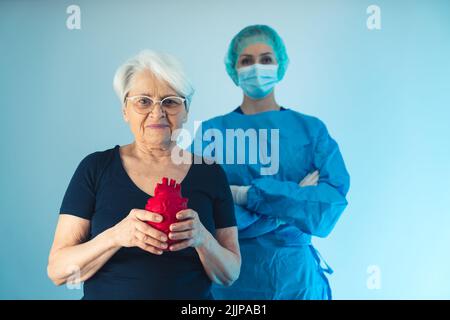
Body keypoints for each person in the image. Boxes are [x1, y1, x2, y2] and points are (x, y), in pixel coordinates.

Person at [47, 50, 241, 300]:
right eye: (143, 101)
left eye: (170, 101)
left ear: (186, 111)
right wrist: (115, 236)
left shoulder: (210, 173)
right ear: (125, 110)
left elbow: (230, 273)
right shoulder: (95, 168)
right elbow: (58, 270)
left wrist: (202, 238)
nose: (157, 112)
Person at [191, 25, 350, 299]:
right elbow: (199, 207)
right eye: (246, 60)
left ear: (280, 65)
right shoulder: (211, 133)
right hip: (231, 277)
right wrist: (289, 204)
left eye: (266, 59)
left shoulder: (310, 131)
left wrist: (242, 195)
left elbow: (329, 204)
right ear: (233, 69)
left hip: (296, 280)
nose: (256, 67)